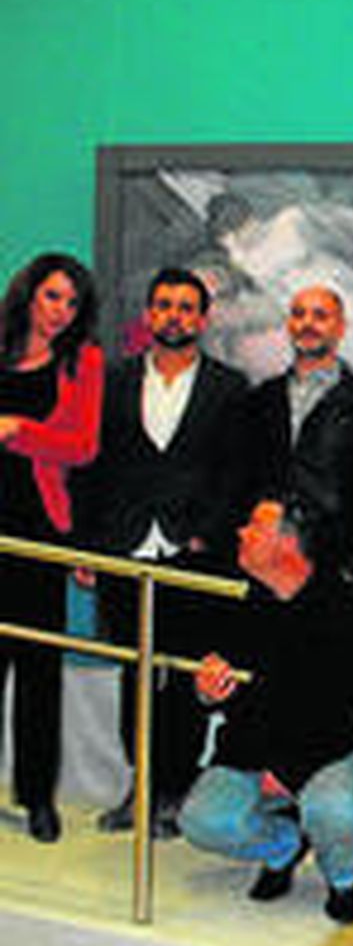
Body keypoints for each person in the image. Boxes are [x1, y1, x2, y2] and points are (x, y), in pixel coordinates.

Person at [75, 268, 249, 838]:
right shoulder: (115, 382)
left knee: (185, 673)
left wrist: (207, 534)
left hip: (191, 553)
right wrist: (88, 546)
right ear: (149, 315)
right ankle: (139, 787)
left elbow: (235, 477)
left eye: (186, 307)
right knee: (136, 674)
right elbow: (91, 468)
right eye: (164, 305)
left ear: (202, 319)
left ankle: (176, 788)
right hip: (126, 550)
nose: (174, 315)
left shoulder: (229, 387)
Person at [179, 497, 353, 924]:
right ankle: (283, 847)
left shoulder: (350, 609)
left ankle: (343, 879)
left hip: (328, 752)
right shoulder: (240, 603)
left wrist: (290, 769)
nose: (241, 533)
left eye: (255, 527)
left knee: (337, 810)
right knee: (202, 822)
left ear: (289, 543)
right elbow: (227, 688)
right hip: (251, 749)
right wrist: (207, 691)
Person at [0, 252, 103, 843]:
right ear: (30, 294)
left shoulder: (81, 361)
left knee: (38, 669)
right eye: (52, 296)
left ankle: (38, 796)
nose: (61, 310)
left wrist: (19, 431)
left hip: (38, 528)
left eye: (71, 301)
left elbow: (82, 445)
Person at [238, 284, 353, 591]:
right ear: (288, 325)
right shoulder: (261, 400)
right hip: (263, 569)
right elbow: (242, 477)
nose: (308, 324)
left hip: (336, 575)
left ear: (340, 328)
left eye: (320, 316)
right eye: (299, 314)